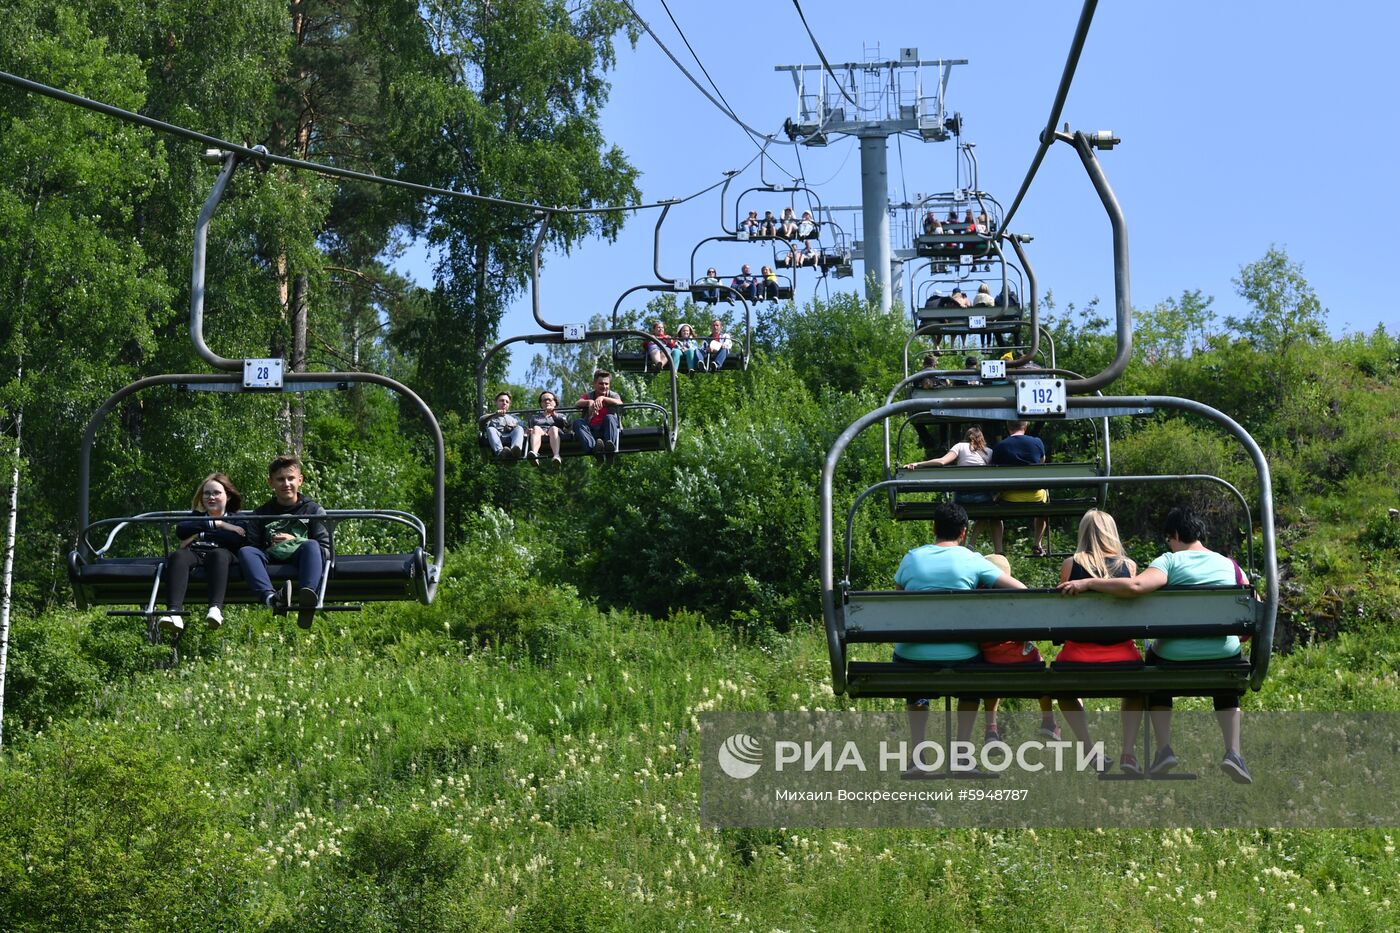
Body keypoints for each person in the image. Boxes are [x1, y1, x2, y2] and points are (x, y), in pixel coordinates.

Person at [1057, 506, 1254, 783]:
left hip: (1173, 656)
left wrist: (1089, 583)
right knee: (1224, 686)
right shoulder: (1231, 566)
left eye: (1169, 540)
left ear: (1174, 535)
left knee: (1155, 672)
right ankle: (1233, 752)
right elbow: (1250, 610)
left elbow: (1137, 587)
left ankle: (1163, 749)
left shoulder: (1169, 562)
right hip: (1224, 655)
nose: (1170, 545)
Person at [895, 502, 1027, 775]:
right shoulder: (973, 560)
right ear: (964, 533)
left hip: (912, 657)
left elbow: (897, 601)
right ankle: (961, 756)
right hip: (962, 656)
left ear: (933, 528)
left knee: (913, 675)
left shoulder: (911, 558)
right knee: (975, 675)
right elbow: (1021, 590)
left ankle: (919, 757)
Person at [1052, 510, 1142, 757]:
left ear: (1084, 533)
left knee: (1063, 690)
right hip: (1123, 655)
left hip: (1078, 655)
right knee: (1136, 690)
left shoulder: (1070, 565)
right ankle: (1128, 752)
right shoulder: (1129, 566)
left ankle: (1088, 747)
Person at [238, 456, 332, 630]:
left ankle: (308, 597)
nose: (286, 484)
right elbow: (253, 545)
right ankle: (271, 599)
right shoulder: (261, 513)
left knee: (312, 545)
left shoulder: (314, 510)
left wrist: (295, 541)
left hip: (302, 557)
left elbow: (326, 550)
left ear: (300, 480)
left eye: (290, 478)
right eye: (280, 479)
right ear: (271, 482)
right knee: (246, 552)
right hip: (271, 556)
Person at [158, 473, 248, 635]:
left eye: (216, 493)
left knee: (217, 555)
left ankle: (215, 609)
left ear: (227, 496)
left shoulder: (238, 519)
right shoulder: (195, 517)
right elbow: (182, 530)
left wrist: (198, 535)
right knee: (178, 555)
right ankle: (174, 611)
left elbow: (234, 539)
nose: (211, 497)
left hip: (223, 556)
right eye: (207, 493)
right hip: (197, 554)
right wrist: (219, 524)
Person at [990, 421, 1048, 556]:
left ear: (1008, 427)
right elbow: (1042, 462)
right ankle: (1037, 544)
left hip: (1010, 497)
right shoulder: (1037, 442)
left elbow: (995, 470)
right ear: (1026, 426)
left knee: (993, 512)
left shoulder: (1000, 446)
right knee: (1045, 504)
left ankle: (998, 550)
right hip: (1035, 497)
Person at [573, 370, 623, 460]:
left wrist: (603, 398)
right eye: (601, 384)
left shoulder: (613, 395)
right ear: (594, 384)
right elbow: (577, 404)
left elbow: (620, 403)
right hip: (591, 429)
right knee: (577, 422)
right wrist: (589, 402)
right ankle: (594, 449)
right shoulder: (589, 395)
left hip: (607, 428)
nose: (604, 386)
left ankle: (610, 446)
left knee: (610, 417)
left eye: (606, 384)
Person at [527, 390, 572, 466]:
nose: (547, 402)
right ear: (541, 404)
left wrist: (553, 413)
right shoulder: (535, 417)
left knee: (553, 428)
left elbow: (567, 426)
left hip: (556, 433)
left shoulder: (560, 415)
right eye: (544, 400)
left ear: (555, 402)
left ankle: (556, 455)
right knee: (536, 428)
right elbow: (532, 428)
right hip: (541, 433)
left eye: (549, 400)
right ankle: (534, 454)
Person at [483, 391, 524, 460]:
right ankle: (500, 452)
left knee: (519, 428)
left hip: (511, 436)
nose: (504, 403)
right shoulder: (490, 417)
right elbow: (481, 422)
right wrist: (495, 414)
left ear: (509, 405)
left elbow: (522, 430)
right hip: (498, 436)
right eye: (502, 401)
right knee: (490, 429)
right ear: (496, 402)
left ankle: (516, 450)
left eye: (507, 402)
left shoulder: (515, 418)